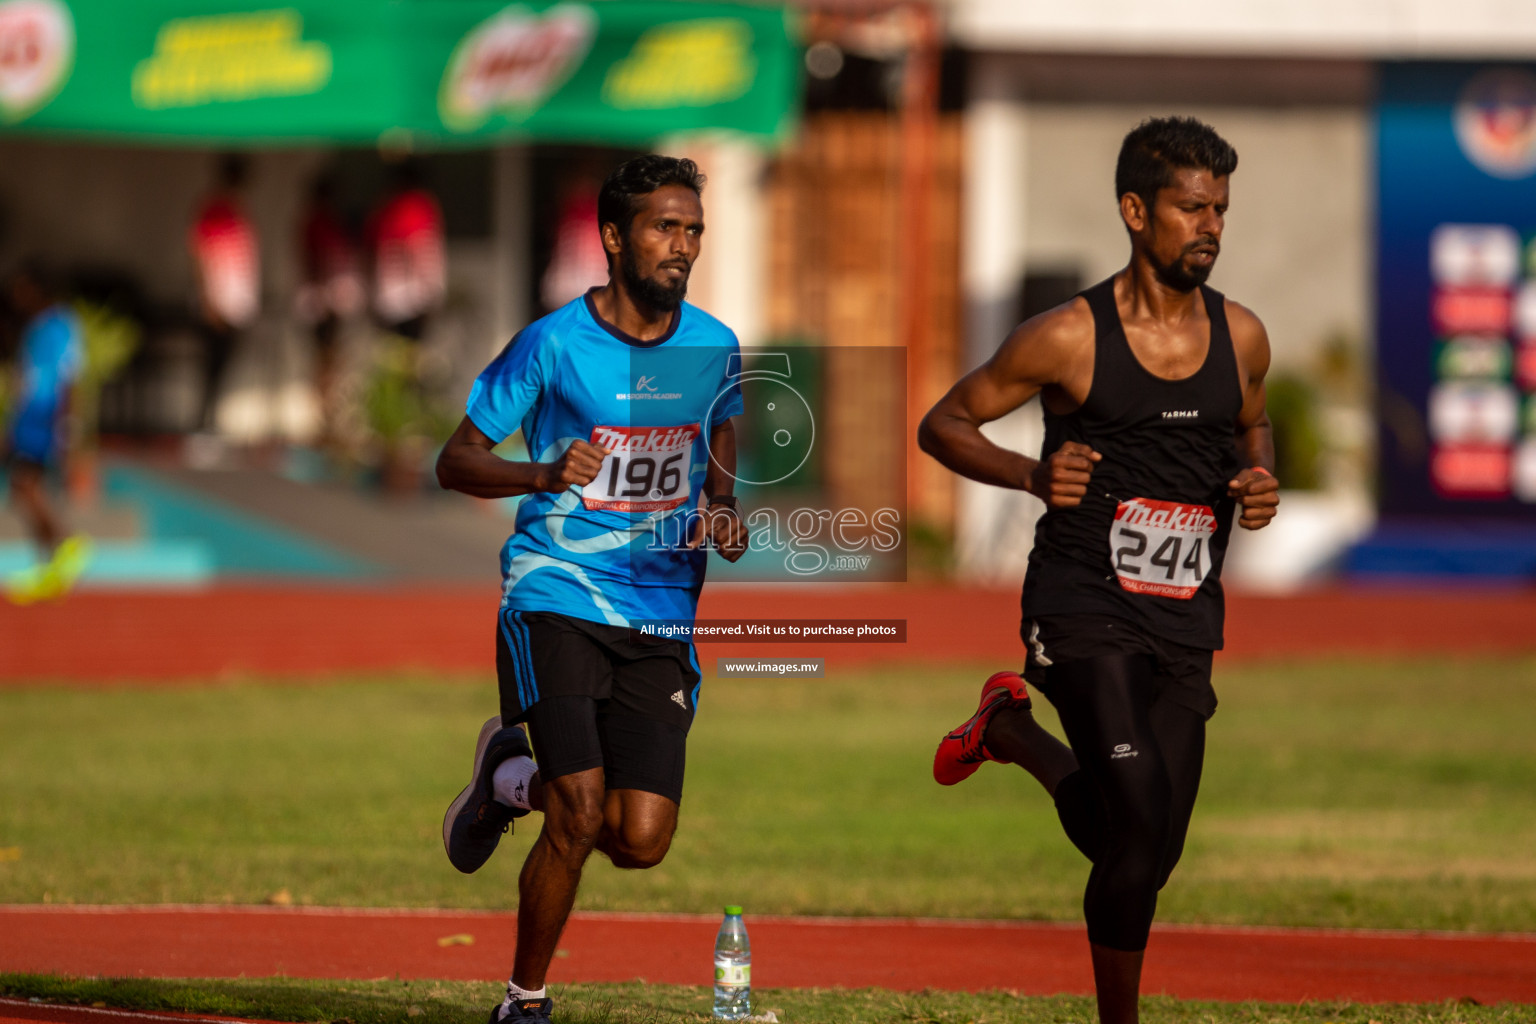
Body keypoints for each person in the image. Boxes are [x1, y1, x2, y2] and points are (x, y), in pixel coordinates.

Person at [919, 117, 1280, 1024]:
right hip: (1083, 606)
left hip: (1185, 616)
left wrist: (1258, 475)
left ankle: (1008, 733)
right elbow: (945, 424)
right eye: (1191, 208)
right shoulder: (1068, 338)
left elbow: (1253, 424)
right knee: (1139, 818)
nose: (1211, 227)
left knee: (1147, 848)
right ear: (1135, 210)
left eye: (1221, 210)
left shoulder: (1243, 335)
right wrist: (1033, 475)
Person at [434, 155, 749, 1024]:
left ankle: (506, 779)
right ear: (613, 237)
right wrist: (541, 471)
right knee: (577, 811)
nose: (682, 247)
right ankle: (524, 1002)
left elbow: (725, 429)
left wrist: (722, 509)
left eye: (692, 231)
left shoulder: (715, 346)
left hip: (660, 611)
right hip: (557, 591)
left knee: (638, 838)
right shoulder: (554, 345)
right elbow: (454, 460)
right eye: (664, 228)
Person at [4, 263, 90, 603]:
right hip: (27, 418)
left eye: (23, 288)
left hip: (44, 418)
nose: (17, 296)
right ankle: (48, 565)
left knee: (24, 485)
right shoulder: (36, 328)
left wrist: (67, 425)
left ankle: (64, 544)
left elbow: (69, 376)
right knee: (23, 487)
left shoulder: (60, 325)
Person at [189, 153, 260, 434]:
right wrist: (209, 298)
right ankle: (203, 426)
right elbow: (200, 252)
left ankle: (212, 424)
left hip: (236, 302)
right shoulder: (216, 209)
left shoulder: (239, 209)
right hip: (218, 302)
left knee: (225, 366)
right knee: (212, 367)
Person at [296, 171, 363, 443]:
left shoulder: (323, 221)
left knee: (331, 362)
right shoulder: (318, 222)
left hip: (329, 300)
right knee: (326, 363)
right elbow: (316, 261)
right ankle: (325, 422)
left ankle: (329, 420)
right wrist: (326, 295)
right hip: (324, 303)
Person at [367, 158, 445, 344]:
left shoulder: (389, 205)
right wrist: (429, 289)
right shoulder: (416, 204)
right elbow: (416, 248)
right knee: (409, 347)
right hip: (410, 292)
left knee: (397, 347)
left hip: (391, 290)